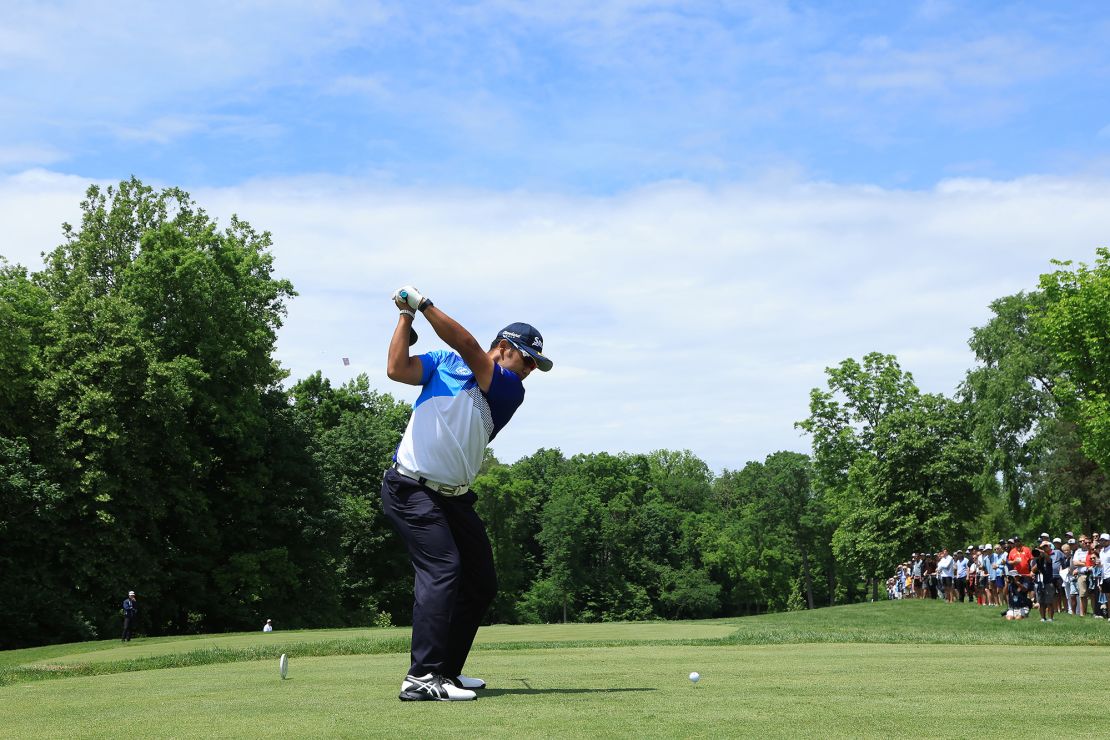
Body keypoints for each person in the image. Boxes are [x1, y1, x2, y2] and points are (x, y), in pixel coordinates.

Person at [381, 285, 552, 702]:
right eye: (525, 357)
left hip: (453, 498)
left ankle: (445, 672)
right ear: (503, 347)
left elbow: (466, 343)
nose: (529, 367)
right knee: (442, 570)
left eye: (534, 363)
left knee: (480, 582)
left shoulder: (509, 388)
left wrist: (423, 305)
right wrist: (405, 318)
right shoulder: (442, 364)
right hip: (410, 487)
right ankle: (421, 677)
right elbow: (396, 368)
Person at [1032, 543, 1056, 622]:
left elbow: (1049, 559)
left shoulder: (1048, 557)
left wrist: (1043, 553)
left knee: (1049, 602)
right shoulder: (1038, 559)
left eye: (1045, 547)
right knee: (1041, 602)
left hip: (1048, 582)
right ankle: (1042, 618)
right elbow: (1033, 570)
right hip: (1039, 582)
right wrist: (1038, 557)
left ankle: (1050, 618)